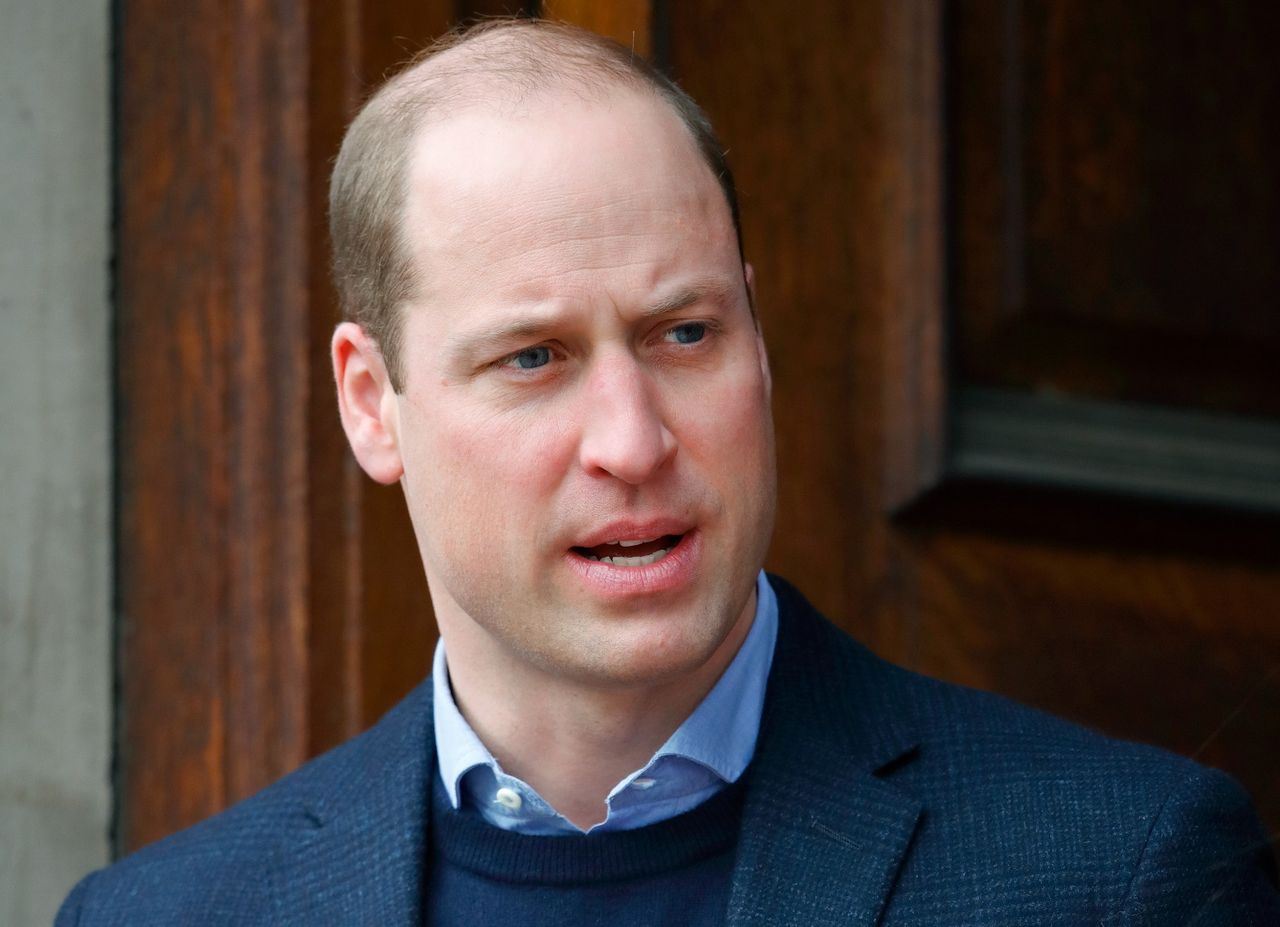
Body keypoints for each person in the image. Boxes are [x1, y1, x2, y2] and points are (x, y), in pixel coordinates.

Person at [57, 18, 1278, 926]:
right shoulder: (162, 915)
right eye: (533, 358)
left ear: (755, 329)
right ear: (373, 405)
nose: (634, 442)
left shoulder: (1121, 875)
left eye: (681, 334)